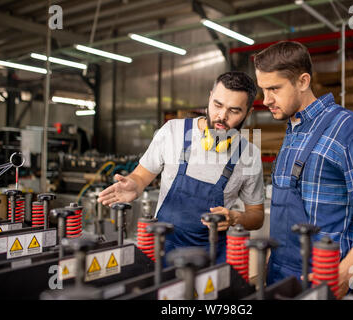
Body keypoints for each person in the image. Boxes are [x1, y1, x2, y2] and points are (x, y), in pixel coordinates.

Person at [254, 41, 353, 298]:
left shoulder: (349, 130)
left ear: (303, 81)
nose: (266, 100)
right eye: (262, 90)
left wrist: (345, 273)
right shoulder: (294, 130)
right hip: (280, 274)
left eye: (274, 89)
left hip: (323, 280)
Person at [98, 71, 264, 264]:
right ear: (210, 97)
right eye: (217, 105)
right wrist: (134, 185)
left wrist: (236, 218)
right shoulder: (173, 131)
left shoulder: (249, 155)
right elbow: (141, 176)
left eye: (234, 111)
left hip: (211, 258)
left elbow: (257, 215)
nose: (221, 116)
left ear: (248, 113)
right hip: (162, 249)